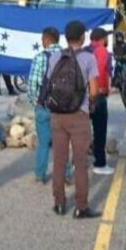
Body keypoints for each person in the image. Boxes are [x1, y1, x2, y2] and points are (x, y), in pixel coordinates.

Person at [47, 20, 101, 219]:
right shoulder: (89, 58)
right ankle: (81, 206)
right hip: (79, 115)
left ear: (65, 37)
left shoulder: (54, 57)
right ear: (82, 37)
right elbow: (94, 90)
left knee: (59, 160)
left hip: (58, 115)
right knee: (80, 162)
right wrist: (89, 102)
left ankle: (59, 203)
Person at [28, 27, 61, 183]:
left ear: (47, 40)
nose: (41, 42)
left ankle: (40, 175)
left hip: (43, 105)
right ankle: (65, 174)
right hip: (62, 108)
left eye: (42, 39)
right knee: (62, 142)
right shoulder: (67, 56)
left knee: (43, 143)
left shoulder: (40, 57)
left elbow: (32, 85)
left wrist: (36, 103)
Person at [87, 27, 113, 175]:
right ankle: (100, 163)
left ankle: (77, 163)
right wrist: (106, 89)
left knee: (81, 131)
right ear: (103, 39)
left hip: (82, 97)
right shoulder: (105, 53)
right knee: (99, 131)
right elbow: (104, 73)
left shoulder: (83, 51)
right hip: (98, 96)